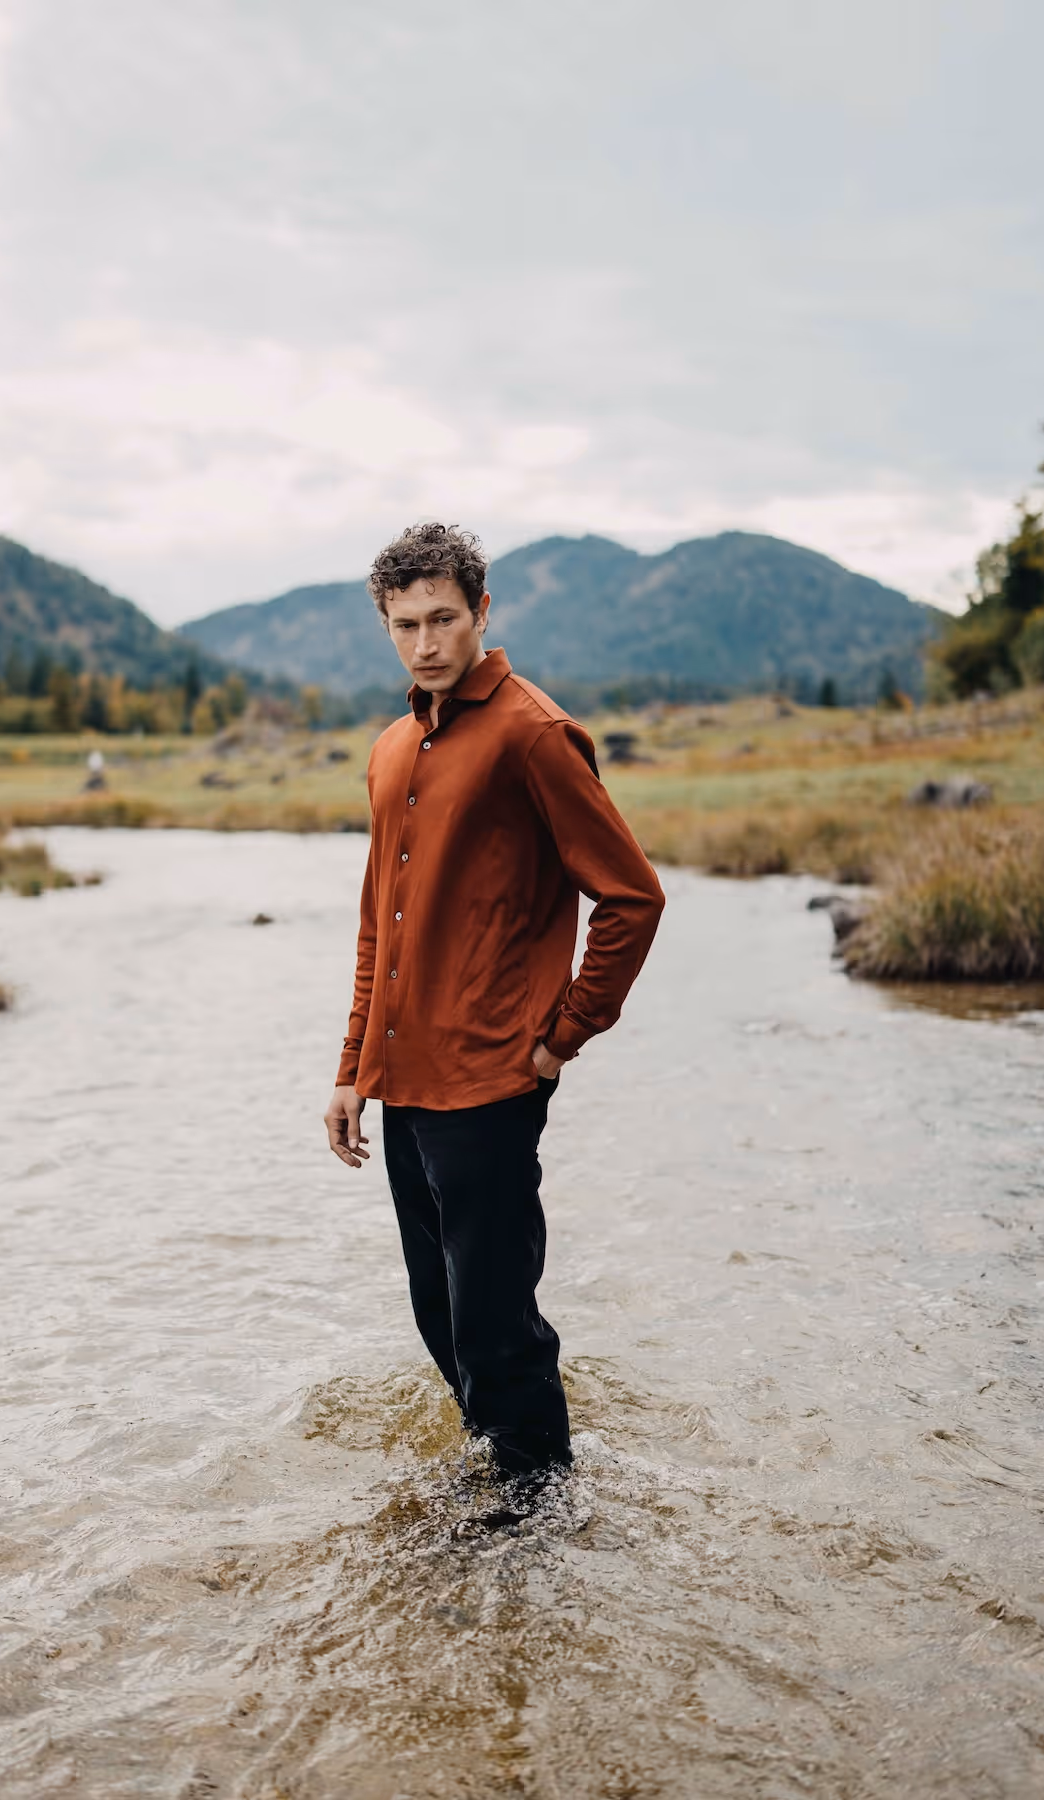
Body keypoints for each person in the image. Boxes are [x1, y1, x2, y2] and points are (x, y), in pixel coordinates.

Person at [324, 522, 666, 1482]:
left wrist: (562, 1035)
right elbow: (375, 929)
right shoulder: (392, 748)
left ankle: (537, 1514)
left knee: (493, 1321)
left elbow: (632, 897)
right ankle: (505, 1474)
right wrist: (352, 1069)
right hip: (404, 1081)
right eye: (404, 626)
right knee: (437, 1310)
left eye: (443, 618)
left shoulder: (533, 734)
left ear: (483, 611)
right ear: (385, 628)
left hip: (493, 1077)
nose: (426, 643)